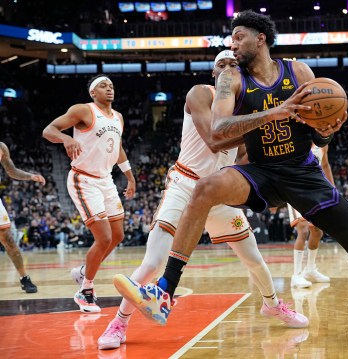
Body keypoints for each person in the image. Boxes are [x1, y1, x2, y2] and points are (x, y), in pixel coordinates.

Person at [115, 10, 348, 343]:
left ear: (261, 38)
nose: (233, 45)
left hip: (303, 173)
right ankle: (164, 291)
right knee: (205, 187)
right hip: (260, 171)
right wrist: (276, 111)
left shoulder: (298, 71)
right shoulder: (232, 78)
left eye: (239, 37)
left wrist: (328, 131)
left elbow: (317, 135)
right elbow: (217, 132)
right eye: (230, 38)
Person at [100, 51, 307, 350]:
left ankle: (272, 304)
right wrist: (264, 122)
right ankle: (119, 322)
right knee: (153, 262)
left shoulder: (247, 108)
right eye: (220, 65)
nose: (226, 69)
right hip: (185, 184)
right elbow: (214, 138)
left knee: (255, 260)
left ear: (242, 73)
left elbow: (246, 156)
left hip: (219, 190)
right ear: (212, 73)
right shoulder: (200, 93)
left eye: (233, 65)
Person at [42, 74, 136, 313]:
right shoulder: (83, 110)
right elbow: (49, 130)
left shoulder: (118, 117)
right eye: (103, 86)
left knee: (117, 236)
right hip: (83, 179)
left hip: (105, 180)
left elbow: (118, 147)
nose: (109, 89)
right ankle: (86, 290)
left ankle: (83, 272)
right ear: (93, 92)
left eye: (111, 85)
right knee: (103, 238)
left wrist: (129, 176)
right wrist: (65, 139)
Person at [0, 141, 45, 293]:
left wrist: (30, 176)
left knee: (9, 240)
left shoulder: (2, 147)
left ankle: (24, 278)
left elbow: (11, 170)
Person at [288, 144, 332, 288]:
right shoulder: (296, 138)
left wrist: (332, 188)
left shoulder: (323, 143)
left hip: (315, 190)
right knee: (303, 230)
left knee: (317, 231)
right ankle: (296, 275)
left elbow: (325, 165)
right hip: (295, 189)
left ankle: (310, 270)